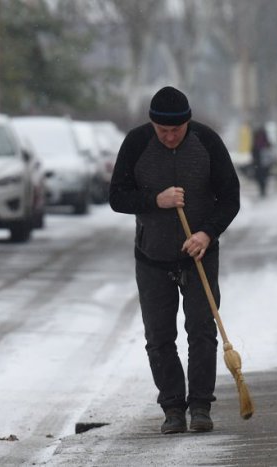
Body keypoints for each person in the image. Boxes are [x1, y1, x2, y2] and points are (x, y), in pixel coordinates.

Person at [109, 86, 240, 434]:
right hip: (152, 256)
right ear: (152, 124)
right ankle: (172, 408)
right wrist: (156, 200)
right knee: (159, 336)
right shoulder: (137, 143)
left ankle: (199, 406)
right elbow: (116, 196)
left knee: (201, 330)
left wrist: (207, 233)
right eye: (162, 130)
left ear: (187, 124)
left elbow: (230, 198)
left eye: (176, 131)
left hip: (199, 255)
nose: (169, 137)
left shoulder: (207, 142)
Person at [250, 126, 273, 197]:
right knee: (262, 177)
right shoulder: (262, 143)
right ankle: (262, 190)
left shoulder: (258, 143)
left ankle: (262, 190)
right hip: (261, 163)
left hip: (261, 163)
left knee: (261, 177)